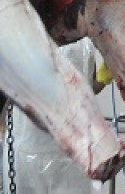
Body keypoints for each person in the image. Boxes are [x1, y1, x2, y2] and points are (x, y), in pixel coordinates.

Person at [6, 38, 112, 193]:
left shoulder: (82, 42)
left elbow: (86, 87)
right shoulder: (22, 33)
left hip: (74, 155)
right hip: (28, 148)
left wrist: (104, 77)